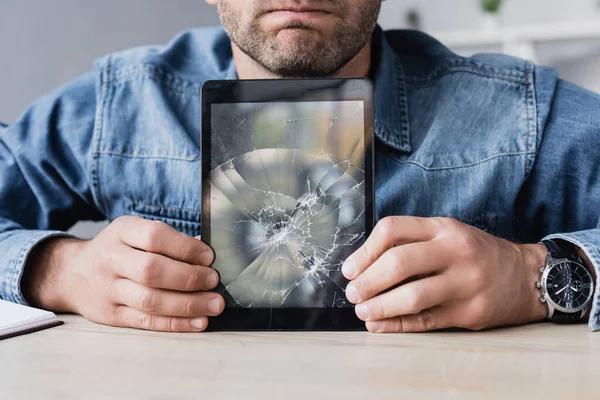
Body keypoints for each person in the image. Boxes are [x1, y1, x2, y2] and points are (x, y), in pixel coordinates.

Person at [1, 0, 598, 333]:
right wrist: (58, 269)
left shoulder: (516, 113)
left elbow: (543, 277)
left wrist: (533, 278)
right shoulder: (120, 102)